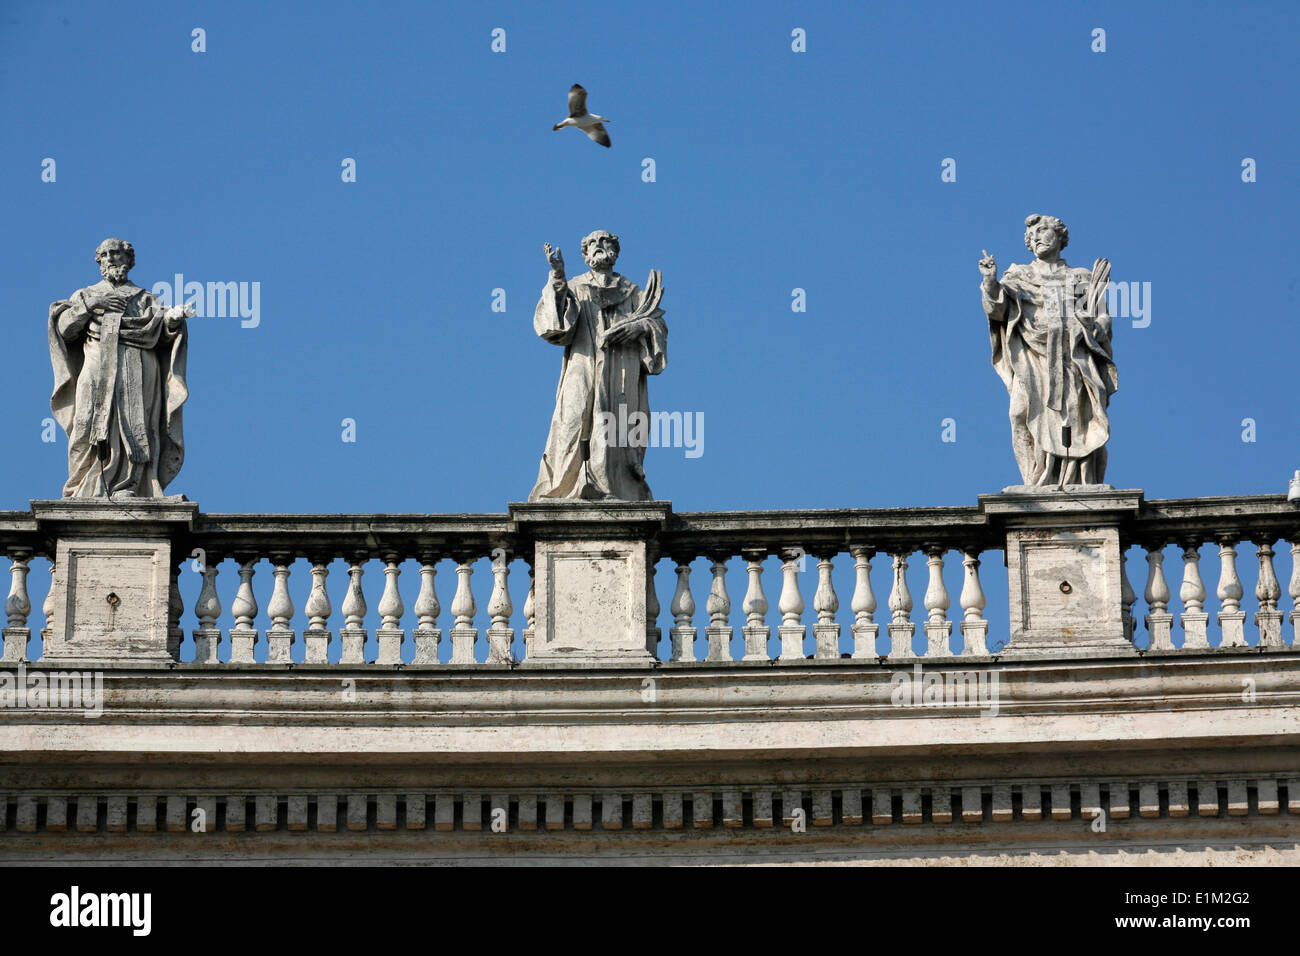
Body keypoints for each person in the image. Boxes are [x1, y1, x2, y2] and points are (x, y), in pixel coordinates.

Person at [529, 230, 667, 501]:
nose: (600, 247)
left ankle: (612, 488)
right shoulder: (576, 287)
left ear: (615, 251)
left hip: (621, 368)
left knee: (614, 424)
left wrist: (639, 327)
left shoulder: (633, 292)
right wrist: (557, 276)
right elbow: (554, 328)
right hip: (583, 362)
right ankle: (564, 487)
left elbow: (656, 326)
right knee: (572, 418)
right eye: (593, 243)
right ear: (585, 254)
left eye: (606, 243)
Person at [980, 215, 1117, 486]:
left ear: (1060, 237)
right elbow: (997, 310)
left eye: (1043, 231)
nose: (1037, 238)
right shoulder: (1019, 276)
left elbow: (1101, 316)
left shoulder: (1080, 277)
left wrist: (1099, 327)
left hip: (1071, 355)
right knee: (1019, 411)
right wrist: (990, 283)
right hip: (1031, 355)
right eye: (1032, 236)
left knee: (1076, 417)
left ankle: (1075, 480)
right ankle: (1034, 478)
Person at [49, 238, 190, 498]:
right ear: (99, 261)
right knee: (87, 422)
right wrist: (91, 306)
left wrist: (172, 320)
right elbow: (65, 330)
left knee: (138, 425)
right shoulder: (86, 295)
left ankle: (131, 486)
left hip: (138, 365)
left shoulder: (145, 298)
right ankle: (86, 485)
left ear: (129, 260)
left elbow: (162, 333)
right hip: (96, 365)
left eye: (117, 254)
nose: (112, 258)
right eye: (106, 254)